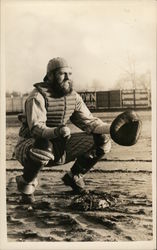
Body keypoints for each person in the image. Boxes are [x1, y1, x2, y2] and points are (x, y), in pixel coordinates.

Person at [15, 57, 111, 203]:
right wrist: (57, 131)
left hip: (59, 143)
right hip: (30, 145)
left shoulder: (73, 97)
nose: (67, 78)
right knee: (43, 146)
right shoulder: (37, 96)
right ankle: (26, 184)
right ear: (50, 76)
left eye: (69, 74)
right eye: (62, 74)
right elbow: (36, 129)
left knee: (102, 140)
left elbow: (89, 122)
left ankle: (74, 177)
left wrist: (112, 129)